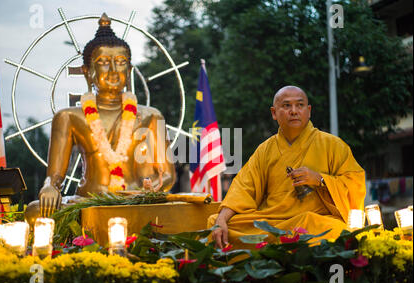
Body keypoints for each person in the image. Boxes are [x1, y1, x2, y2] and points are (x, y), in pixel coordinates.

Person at [25, 14, 176, 227]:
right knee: (35, 212)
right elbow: (55, 176)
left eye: (121, 63)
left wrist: (150, 191)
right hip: (89, 201)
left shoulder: (151, 115)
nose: (114, 71)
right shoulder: (69, 117)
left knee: (180, 208)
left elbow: (168, 175)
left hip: (135, 201)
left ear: (130, 70)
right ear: (87, 72)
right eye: (104, 63)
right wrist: (49, 186)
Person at [210, 86, 366, 249]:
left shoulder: (332, 145)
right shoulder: (265, 150)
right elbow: (243, 188)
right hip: (274, 223)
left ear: (309, 110)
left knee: (331, 228)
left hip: (313, 220)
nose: (294, 111)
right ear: (274, 113)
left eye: (300, 105)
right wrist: (221, 220)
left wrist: (320, 179)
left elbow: (356, 184)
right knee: (214, 223)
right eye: (286, 106)